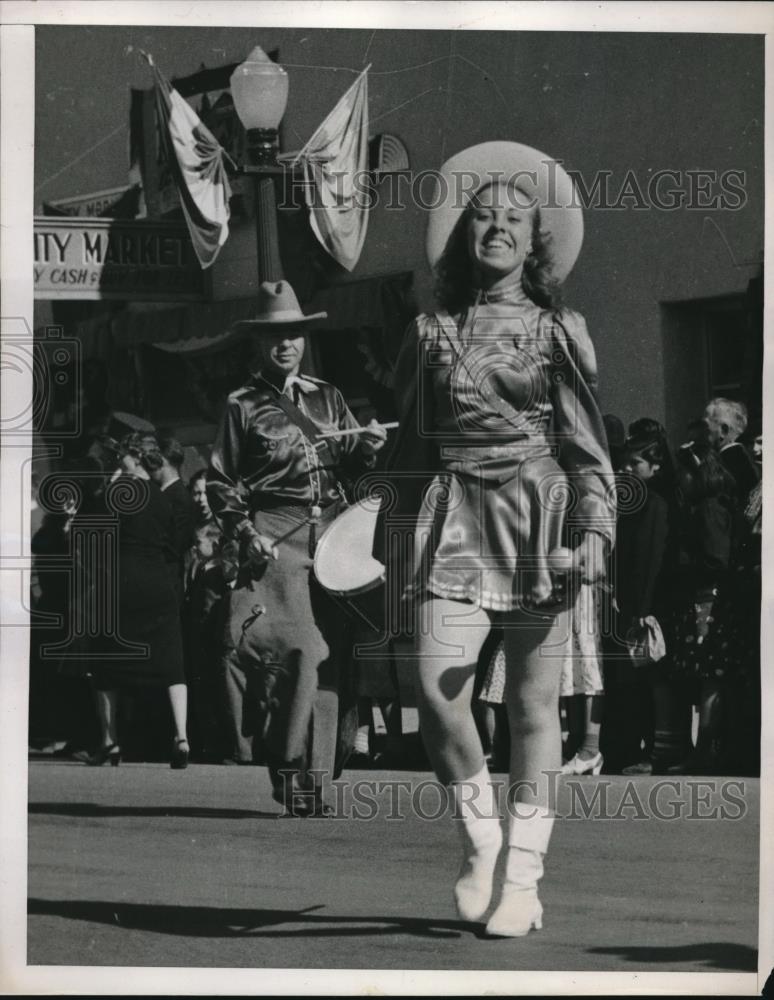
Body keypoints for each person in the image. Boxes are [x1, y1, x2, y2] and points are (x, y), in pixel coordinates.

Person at [382, 142, 615, 936]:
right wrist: (366, 517)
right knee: (435, 690)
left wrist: (592, 526)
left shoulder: (559, 330)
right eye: (483, 216)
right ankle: (482, 842)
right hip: (454, 513)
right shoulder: (431, 330)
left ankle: (524, 877)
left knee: (531, 707)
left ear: (535, 241)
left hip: (539, 512)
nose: (497, 227)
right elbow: (406, 452)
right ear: (461, 234)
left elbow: (587, 447)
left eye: (514, 219)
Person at [207, 280, 387, 813]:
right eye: (275, 337)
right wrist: (247, 533)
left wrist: (368, 446)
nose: (286, 345)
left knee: (334, 658)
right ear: (259, 343)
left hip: (334, 532)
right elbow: (220, 481)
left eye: (295, 335)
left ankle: (319, 780)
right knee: (300, 655)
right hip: (277, 537)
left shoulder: (328, 395)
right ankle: (289, 772)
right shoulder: (241, 404)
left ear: (305, 339)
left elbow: (351, 457)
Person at [82, 434, 190, 768]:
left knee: (103, 659)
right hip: (158, 582)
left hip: (122, 582)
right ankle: (181, 736)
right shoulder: (162, 497)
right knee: (172, 661)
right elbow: (174, 541)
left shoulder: (118, 492)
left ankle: (110, 741)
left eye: (124, 460)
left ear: (136, 460)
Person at [702, 398, 758, 503]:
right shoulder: (741, 458)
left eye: (704, 427)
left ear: (723, 430)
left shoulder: (733, 463)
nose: (699, 434)